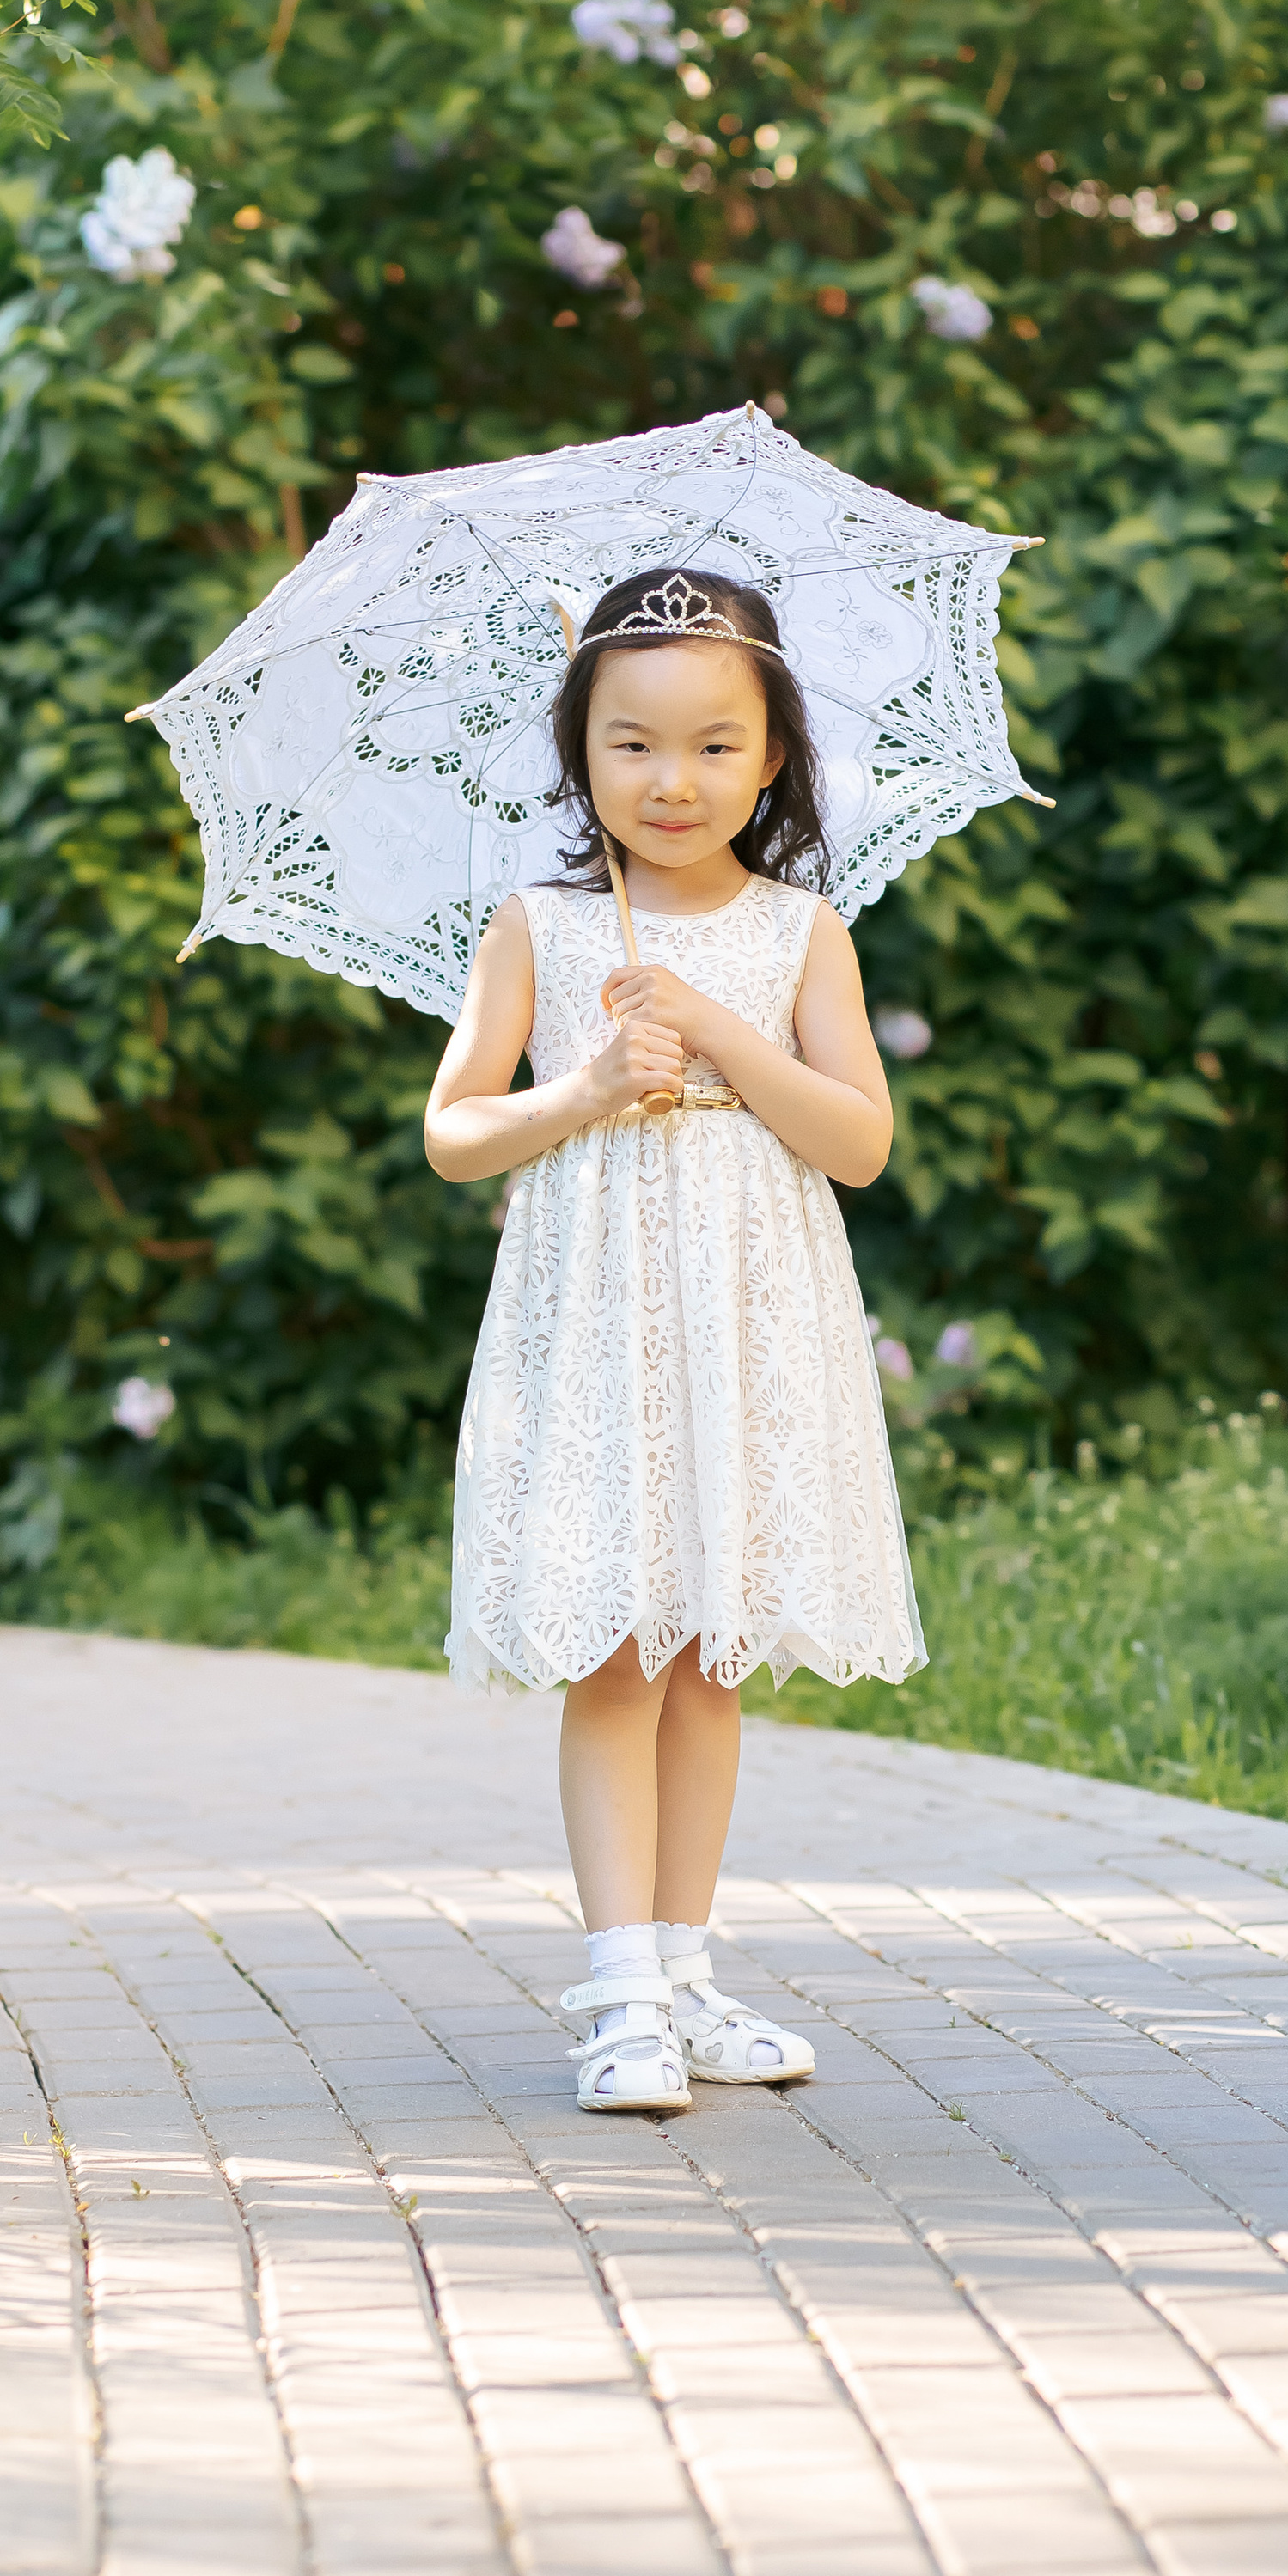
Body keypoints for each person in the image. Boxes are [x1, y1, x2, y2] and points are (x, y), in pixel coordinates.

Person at [424, 565, 925, 2115]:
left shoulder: (801, 933)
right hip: (603, 1326)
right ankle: (620, 1992)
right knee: (619, 1647)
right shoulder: (541, 926)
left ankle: (689, 1973)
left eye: (716, 745)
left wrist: (714, 1031)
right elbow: (454, 1132)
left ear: (773, 759)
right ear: (581, 751)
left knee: (710, 1653)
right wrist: (582, 1090)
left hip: (746, 1324)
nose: (673, 779)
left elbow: (858, 1142)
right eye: (632, 743)